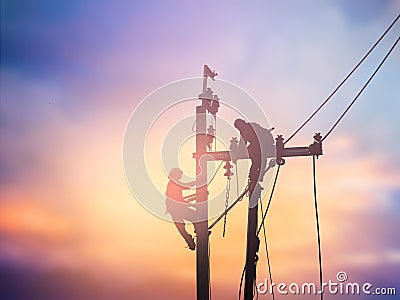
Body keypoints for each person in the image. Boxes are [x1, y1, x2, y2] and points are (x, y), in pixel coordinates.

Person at [233, 119, 275, 187]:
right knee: (258, 159)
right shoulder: (248, 127)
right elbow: (243, 145)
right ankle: (257, 174)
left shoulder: (246, 129)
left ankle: (256, 174)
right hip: (263, 143)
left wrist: (237, 152)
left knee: (257, 159)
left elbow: (242, 145)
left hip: (264, 143)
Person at [165, 168, 197, 250]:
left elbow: (178, 198)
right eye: (180, 175)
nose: (181, 176)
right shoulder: (173, 184)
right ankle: (198, 233)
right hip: (176, 209)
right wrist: (197, 182)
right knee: (196, 217)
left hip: (175, 209)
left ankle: (190, 240)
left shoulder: (172, 184)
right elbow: (185, 187)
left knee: (182, 228)